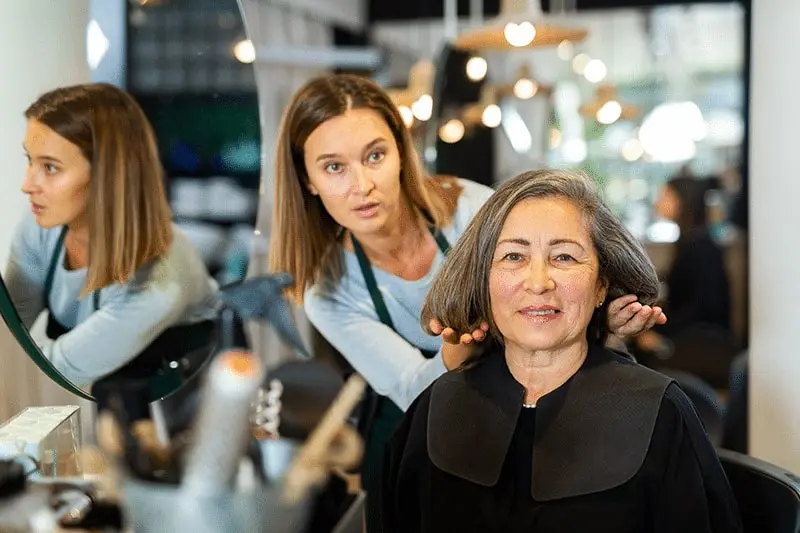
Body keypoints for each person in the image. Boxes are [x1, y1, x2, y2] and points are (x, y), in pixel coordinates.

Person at [268, 74, 666, 523]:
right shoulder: (330, 291)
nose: (362, 185)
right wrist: (456, 354)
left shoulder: (475, 211)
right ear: (308, 180)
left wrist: (602, 317)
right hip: (423, 424)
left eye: (375, 155)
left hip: (536, 403)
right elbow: (411, 386)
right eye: (334, 167)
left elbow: (554, 296)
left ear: (401, 153)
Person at [375, 169, 742, 533]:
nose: (538, 282)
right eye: (514, 257)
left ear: (601, 284)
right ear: (483, 279)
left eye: (564, 257)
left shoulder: (659, 412)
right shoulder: (435, 408)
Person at [4, 83, 217, 395]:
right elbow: (7, 337)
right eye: (30, 161)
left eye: (50, 167)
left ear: (107, 174)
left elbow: (53, 372)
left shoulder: (159, 277)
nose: (27, 185)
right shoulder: (41, 226)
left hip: (184, 403)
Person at [636, 175, 732, 356]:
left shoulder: (700, 247)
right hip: (688, 335)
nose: (658, 201)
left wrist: (661, 334)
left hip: (700, 344)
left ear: (682, 200)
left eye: (665, 195)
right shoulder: (690, 242)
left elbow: (702, 309)